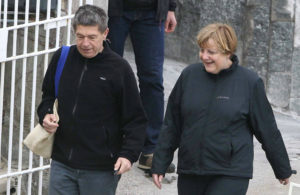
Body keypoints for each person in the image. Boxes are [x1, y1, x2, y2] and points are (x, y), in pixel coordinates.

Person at [151, 23, 292, 195]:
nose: (204, 56)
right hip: (191, 168)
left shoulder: (249, 82)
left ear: (228, 52)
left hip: (230, 172)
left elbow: (267, 129)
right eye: (202, 50)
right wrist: (160, 163)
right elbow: (172, 124)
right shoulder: (189, 76)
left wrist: (282, 168)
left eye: (211, 52)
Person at [37, 5, 147, 195]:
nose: (85, 43)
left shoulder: (119, 69)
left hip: (101, 169)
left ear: (105, 33)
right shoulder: (62, 58)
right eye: (80, 36)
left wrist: (128, 155)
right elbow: (47, 97)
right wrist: (46, 115)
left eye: (92, 37)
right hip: (62, 163)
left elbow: (136, 119)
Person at [107, 0, 177, 172]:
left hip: (152, 13)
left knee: (152, 80)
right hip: (115, 11)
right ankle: (109, 144)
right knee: (109, 76)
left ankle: (151, 150)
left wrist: (170, 8)